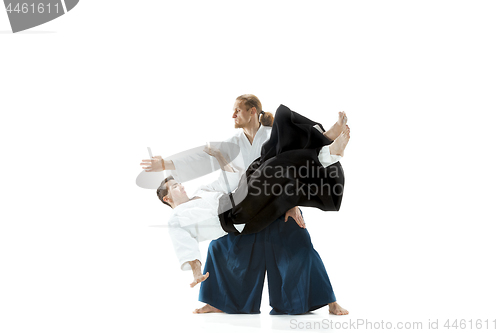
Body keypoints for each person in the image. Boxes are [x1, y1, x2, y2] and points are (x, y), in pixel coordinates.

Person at [141, 95, 350, 315]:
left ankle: (326, 141)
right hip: (244, 205)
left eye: (237, 111)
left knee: (281, 126)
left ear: (252, 112)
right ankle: (218, 302)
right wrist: (167, 163)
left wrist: (291, 203)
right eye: (175, 187)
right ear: (167, 199)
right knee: (218, 248)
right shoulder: (230, 148)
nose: (233, 115)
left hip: (268, 197)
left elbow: (253, 179)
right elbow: (204, 163)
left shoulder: (271, 137)